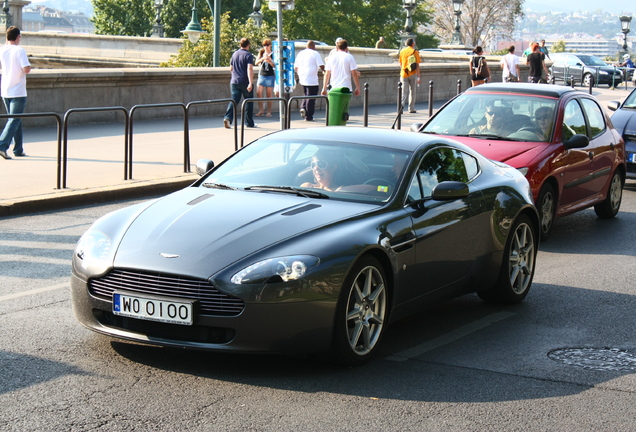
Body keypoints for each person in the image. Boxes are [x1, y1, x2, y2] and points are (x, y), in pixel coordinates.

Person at [0, 26, 31, 160]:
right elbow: (26, 69)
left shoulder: (2, 49)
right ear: (18, 37)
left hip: (5, 89)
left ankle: (18, 149)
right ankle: (2, 145)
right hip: (18, 90)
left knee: (15, 119)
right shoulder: (19, 50)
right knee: (14, 119)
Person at [223, 38, 255, 129]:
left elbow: (231, 68)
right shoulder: (248, 55)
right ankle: (249, 122)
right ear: (248, 45)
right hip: (244, 81)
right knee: (248, 102)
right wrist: (250, 82)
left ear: (240, 45)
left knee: (234, 101)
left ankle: (228, 118)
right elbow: (250, 68)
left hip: (234, 81)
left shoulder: (235, 54)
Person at [295, 40, 325, 122]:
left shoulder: (300, 53)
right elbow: (321, 65)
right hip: (311, 78)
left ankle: (303, 107)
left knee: (306, 94)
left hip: (302, 77)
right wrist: (325, 71)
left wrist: (299, 74)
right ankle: (309, 115)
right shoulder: (315, 53)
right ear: (314, 46)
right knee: (311, 97)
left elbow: (296, 67)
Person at [399, 38, 421, 113]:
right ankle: (411, 108)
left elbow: (400, 63)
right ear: (412, 44)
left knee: (403, 91)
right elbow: (417, 65)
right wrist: (418, 76)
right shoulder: (415, 52)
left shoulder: (402, 51)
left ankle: (401, 107)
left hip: (404, 73)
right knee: (412, 91)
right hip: (412, 73)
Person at [254, 39, 275, 117]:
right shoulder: (262, 52)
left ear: (270, 45)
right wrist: (263, 58)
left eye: (267, 45)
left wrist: (269, 60)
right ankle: (261, 110)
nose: (266, 47)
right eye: (264, 45)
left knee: (269, 94)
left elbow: (275, 65)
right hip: (262, 74)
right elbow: (256, 62)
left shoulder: (273, 54)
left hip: (270, 75)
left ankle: (269, 111)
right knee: (259, 92)